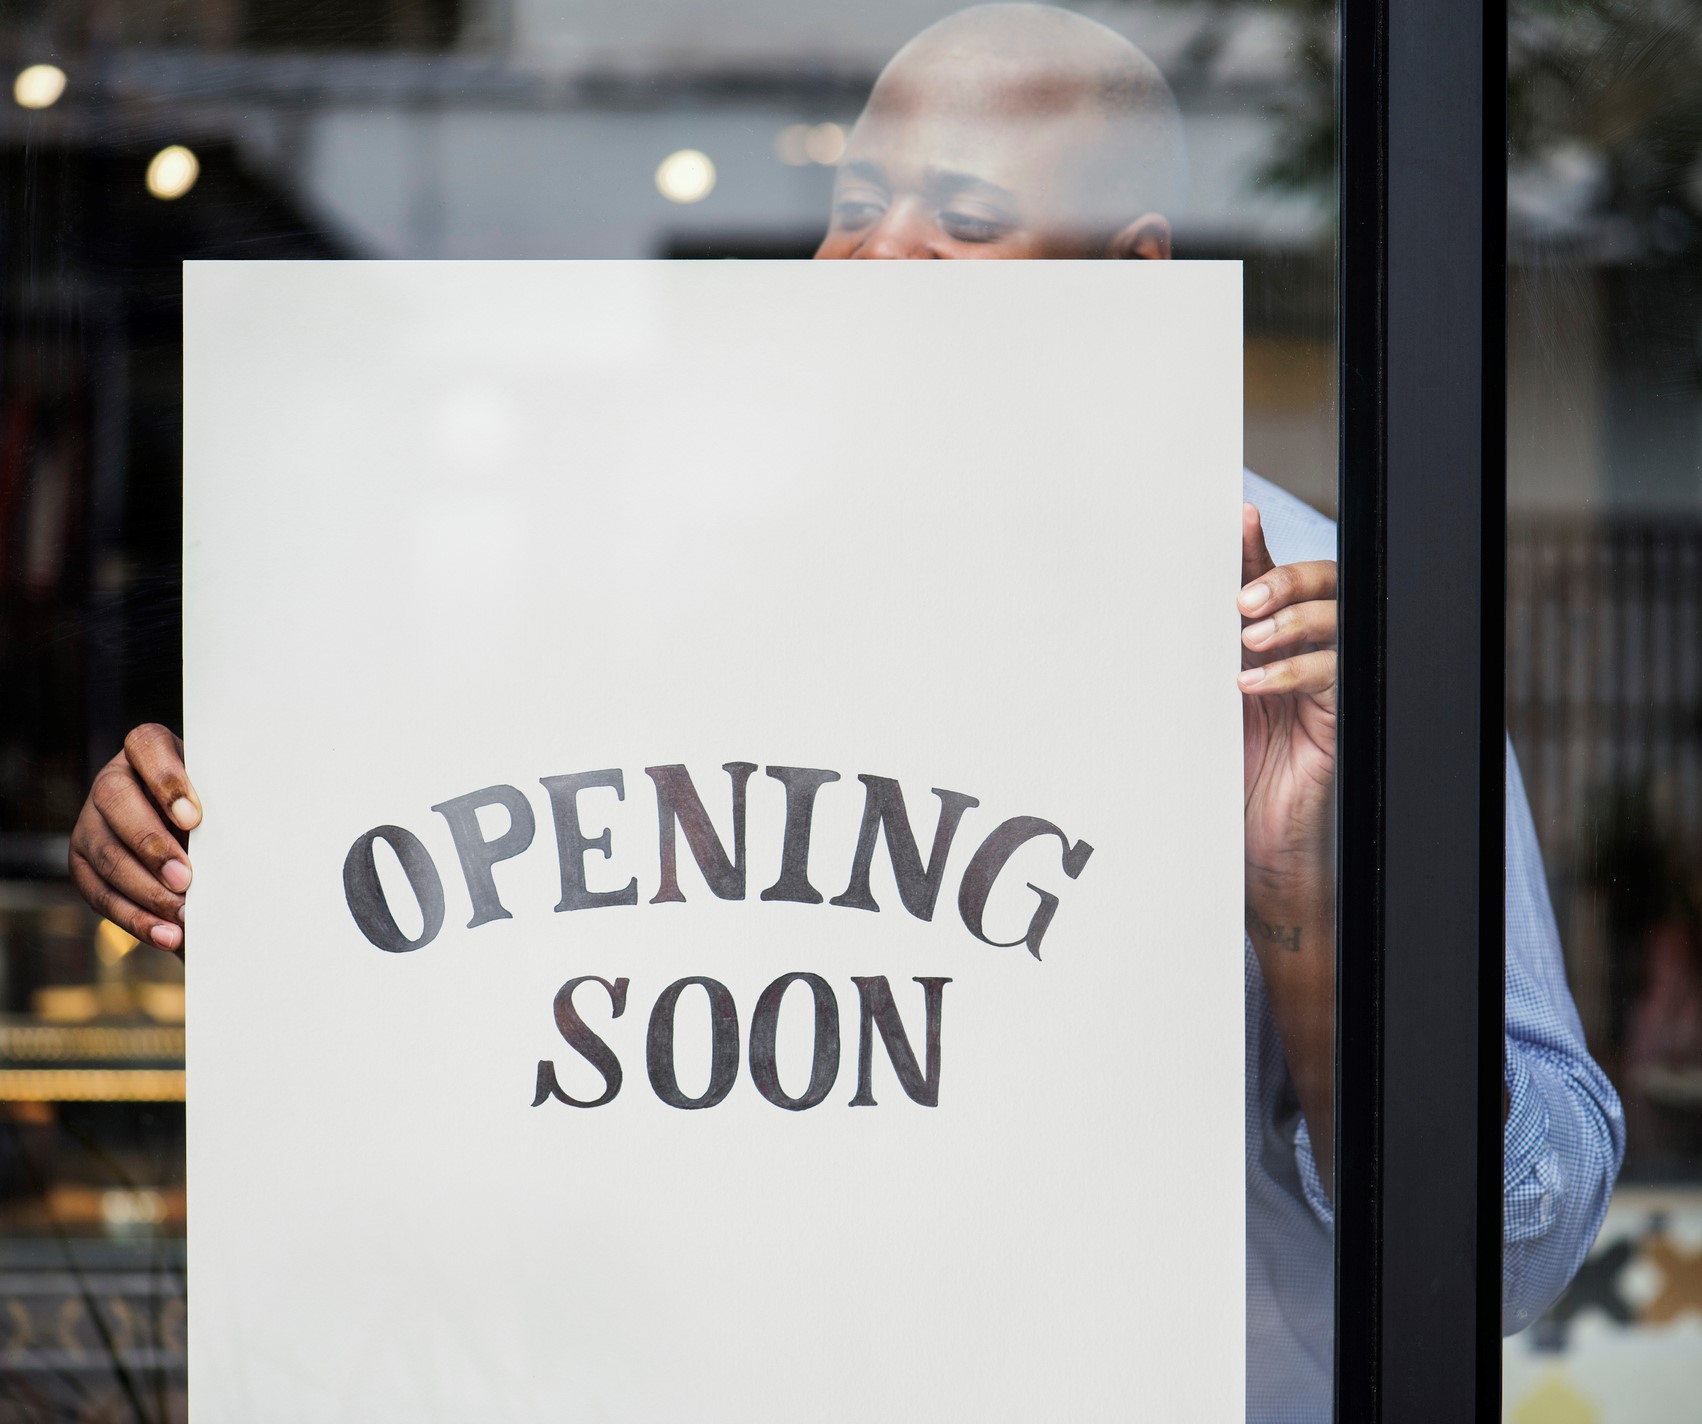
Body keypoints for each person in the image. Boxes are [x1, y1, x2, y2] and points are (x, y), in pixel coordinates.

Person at [67, 5, 1622, 1418]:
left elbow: (1509, 1253)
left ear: (1130, 274)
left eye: (965, 216)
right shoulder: (648, 581)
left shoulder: (1313, 633)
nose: (877, 259)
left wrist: (1300, 900)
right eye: (850, 205)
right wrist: (219, 831)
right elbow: (498, 975)